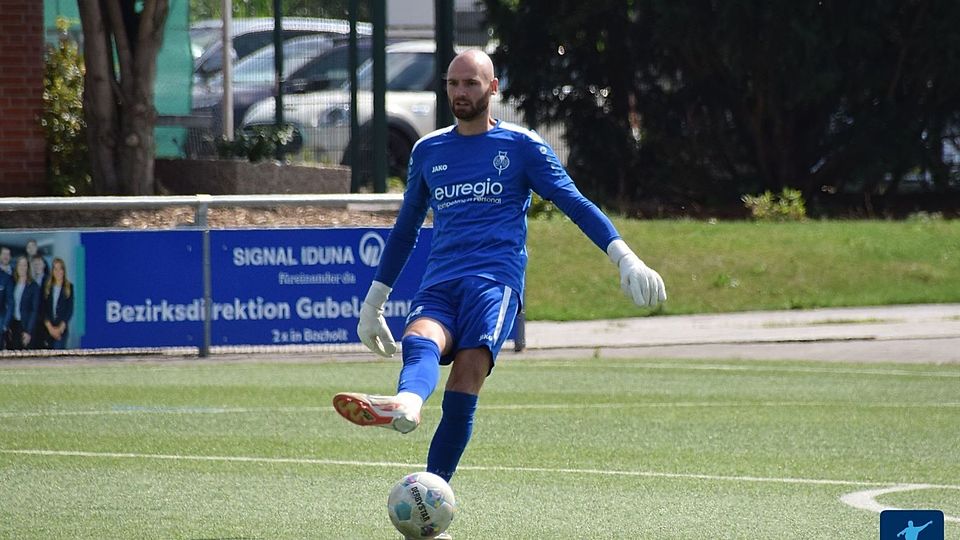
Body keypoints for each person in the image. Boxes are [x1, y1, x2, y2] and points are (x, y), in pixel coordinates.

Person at [332, 49, 666, 533]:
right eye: (453, 83)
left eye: (471, 83)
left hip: (494, 284)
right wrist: (373, 304)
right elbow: (405, 231)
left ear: (492, 88)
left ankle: (429, 501)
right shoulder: (428, 151)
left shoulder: (522, 147)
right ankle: (406, 403)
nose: (460, 92)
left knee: (466, 376)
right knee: (420, 337)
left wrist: (624, 256)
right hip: (440, 281)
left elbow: (574, 203)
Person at [41, 258, 74, 349]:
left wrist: (60, 328)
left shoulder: (69, 287)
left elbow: (70, 309)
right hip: (47, 329)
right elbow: (43, 308)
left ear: (64, 270)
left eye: (60, 268)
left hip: (61, 330)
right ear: (52, 271)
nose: (58, 271)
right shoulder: (46, 286)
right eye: (55, 269)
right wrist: (50, 328)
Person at [8, 255, 40, 350]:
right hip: (13, 325)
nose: (22, 267)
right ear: (16, 267)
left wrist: (28, 331)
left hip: (25, 326)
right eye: (20, 265)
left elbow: (34, 310)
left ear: (28, 267)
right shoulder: (12, 283)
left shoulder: (33, 286)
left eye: (24, 265)